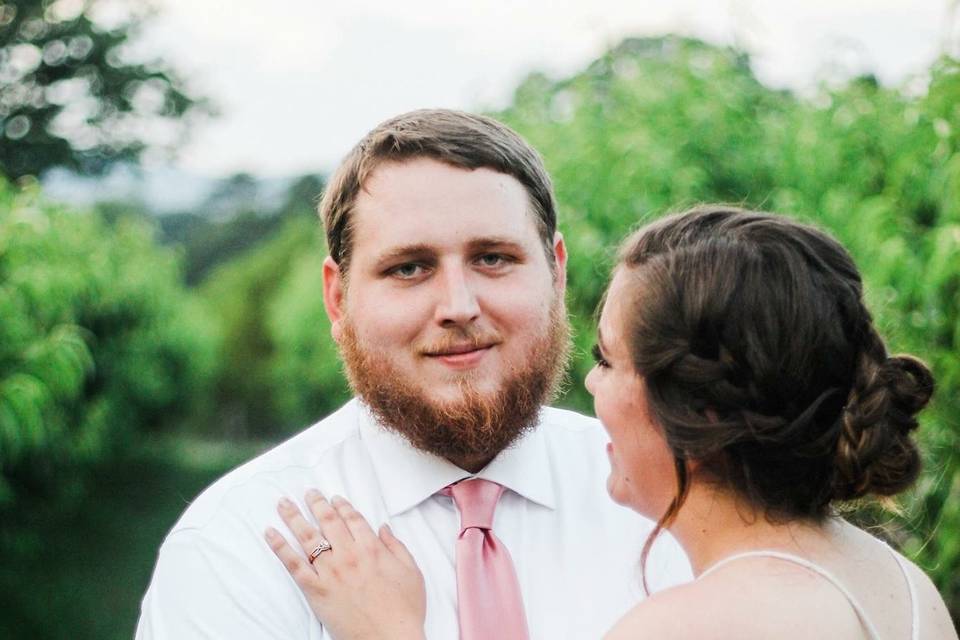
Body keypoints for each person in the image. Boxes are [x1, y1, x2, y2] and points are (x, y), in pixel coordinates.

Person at [266, 206, 959, 639]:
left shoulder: (695, 625)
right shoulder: (899, 584)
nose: (589, 384)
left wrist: (390, 634)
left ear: (700, 409)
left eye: (607, 359)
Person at [135, 109, 691, 639]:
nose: (459, 305)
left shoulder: (674, 502)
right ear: (337, 298)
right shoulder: (237, 546)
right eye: (409, 268)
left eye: (493, 258)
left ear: (557, 272)